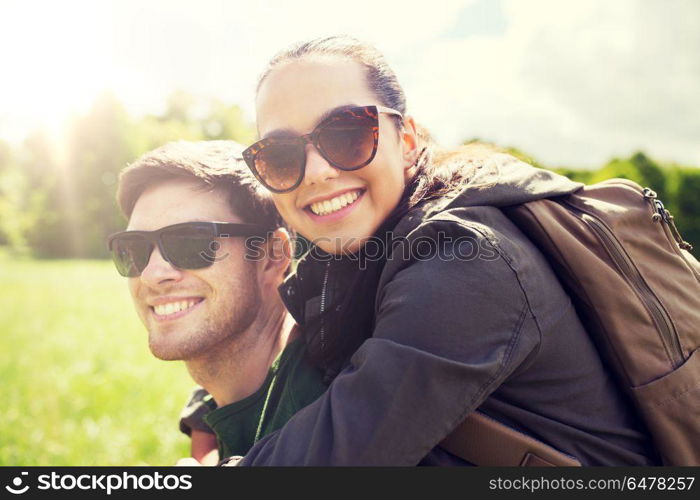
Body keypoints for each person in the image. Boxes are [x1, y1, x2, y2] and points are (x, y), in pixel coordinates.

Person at [223, 35, 659, 465]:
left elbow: (342, 452)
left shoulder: (469, 261)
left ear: (408, 142)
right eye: (279, 156)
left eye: (348, 134)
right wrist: (208, 415)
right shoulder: (358, 258)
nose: (317, 172)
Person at [109, 140, 327, 464]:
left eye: (191, 242)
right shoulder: (222, 401)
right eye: (134, 248)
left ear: (272, 255)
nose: (153, 274)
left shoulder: (326, 413)